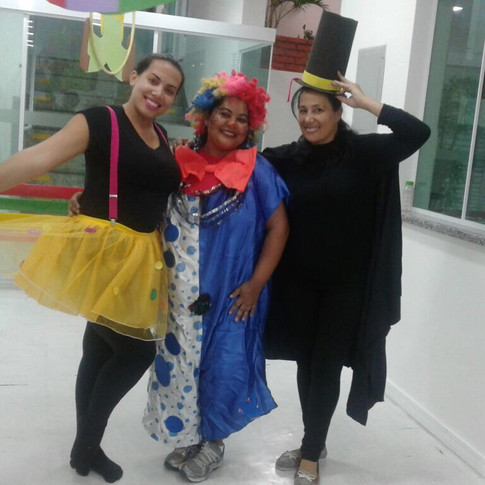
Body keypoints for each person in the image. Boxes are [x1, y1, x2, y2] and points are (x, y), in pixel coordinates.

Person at [0, 53, 184, 483]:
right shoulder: (100, 121)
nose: (158, 93)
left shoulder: (160, 134)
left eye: (169, 89)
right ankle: (86, 444)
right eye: (152, 80)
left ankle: (86, 450)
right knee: (137, 351)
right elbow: (38, 158)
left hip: (142, 257)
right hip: (106, 253)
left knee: (99, 348)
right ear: (133, 76)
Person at [262, 73, 431, 485]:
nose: (309, 118)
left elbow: (418, 132)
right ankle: (314, 442)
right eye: (303, 110)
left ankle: (310, 454)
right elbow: (240, 168)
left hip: (346, 288)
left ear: (339, 112)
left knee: (326, 366)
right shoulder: (286, 158)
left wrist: (367, 101)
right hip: (298, 284)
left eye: (319, 109)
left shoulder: (364, 153)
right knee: (306, 364)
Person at [141, 70, 289, 482]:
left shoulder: (257, 170)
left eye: (243, 119)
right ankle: (189, 435)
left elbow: (279, 228)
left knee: (224, 366)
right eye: (225, 114)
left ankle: (214, 442)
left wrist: (256, 284)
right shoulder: (178, 162)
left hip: (234, 291)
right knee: (182, 363)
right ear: (205, 117)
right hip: (179, 291)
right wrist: (87, 200)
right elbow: (141, 198)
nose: (232, 124)